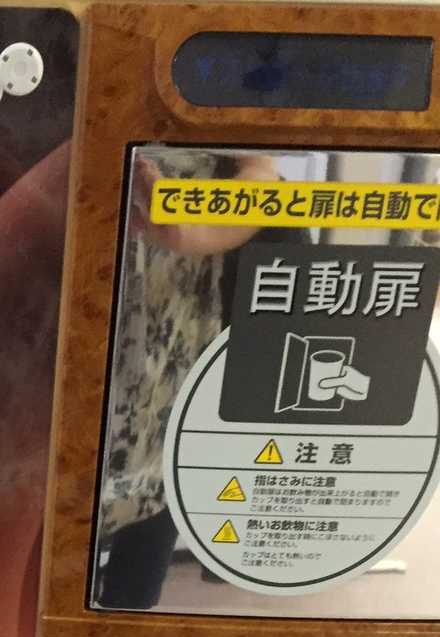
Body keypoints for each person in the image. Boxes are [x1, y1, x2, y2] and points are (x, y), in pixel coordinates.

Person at [96, 151, 305, 610]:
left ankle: (122, 625)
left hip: (175, 402)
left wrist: (248, 182)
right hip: (84, 386)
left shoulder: (252, 185)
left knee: (157, 503)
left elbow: (285, 325)